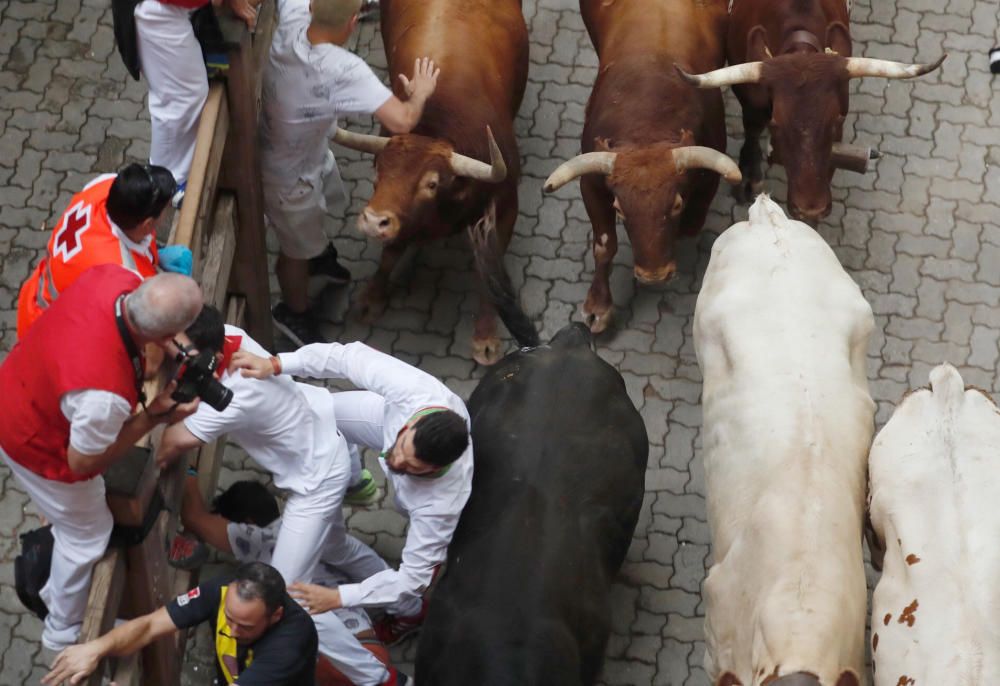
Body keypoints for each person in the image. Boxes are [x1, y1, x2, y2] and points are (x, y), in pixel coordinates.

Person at [0, 266, 203, 651]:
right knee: (87, 534)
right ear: (161, 335)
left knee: (69, 516)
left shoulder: (112, 278)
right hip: (33, 443)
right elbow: (83, 464)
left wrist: (184, 347)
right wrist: (152, 418)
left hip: (18, 386)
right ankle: (61, 632)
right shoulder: (103, 396)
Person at [230, 340, 473, 645]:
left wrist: (339, 597)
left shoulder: (441, 504)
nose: (393, 460)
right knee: (317, 412)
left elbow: (413, 579)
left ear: (435, 469)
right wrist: (277, 364)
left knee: (404, 587)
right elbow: (345, 357)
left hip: (415, 500)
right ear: (414, 422)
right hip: (382, 419)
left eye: (411, 465)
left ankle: (410, 615)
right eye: (400, 447)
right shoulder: (413, 391)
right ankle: (355, 482)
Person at [261, 0, 440, 344]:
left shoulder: (292, 16)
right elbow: (402, 121)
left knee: (311, 221)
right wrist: (420, 93)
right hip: (288, 176)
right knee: (293, 249)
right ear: (354, 22)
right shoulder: (344, 69)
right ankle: (293, 311)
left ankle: (318, 257)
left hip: (295, 148)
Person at [180, 476, 409, 685]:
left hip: (341, 666)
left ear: (247, 523)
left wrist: (189, 472)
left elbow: (194, 517)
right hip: (368, 648)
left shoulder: (258, 538)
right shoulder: (306, 530)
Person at [42, 561, 318, 686]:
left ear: (276, 615)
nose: (232, 631)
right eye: (229, 618)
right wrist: (98, 647)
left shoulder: (289, 644)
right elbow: (151, 625)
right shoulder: (222, 592)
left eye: (245, 626)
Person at [16, 163, 193, 339]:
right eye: (166, 209)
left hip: (37, 296)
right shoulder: (122, 275)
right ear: (147, 224)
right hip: (50, 333)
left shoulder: (106, 185)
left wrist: (153, 254)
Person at [134, 0, 258, 199]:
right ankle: (165, 181)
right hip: (160, 9)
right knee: (180, 99)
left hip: (178, 8)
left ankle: (172, 174)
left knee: (186, 96)